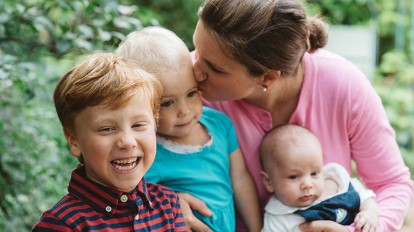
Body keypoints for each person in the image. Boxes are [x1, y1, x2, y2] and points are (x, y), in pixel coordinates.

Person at [182, 0, 414, 231]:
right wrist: (167, 200)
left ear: (267, 78)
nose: (194, 69)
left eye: (215, 68)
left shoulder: (343, 85)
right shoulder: (184, 92)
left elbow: (391, 183)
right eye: (196, 49)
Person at [116, 26, 262, 232]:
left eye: (192, 93)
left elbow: (240, 179)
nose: (184, 111)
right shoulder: (147, 149)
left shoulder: (220, 125)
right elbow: (130, 201)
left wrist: (258, 229)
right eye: (167, 103)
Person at [32, 53, 187, 231]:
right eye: (106, 129)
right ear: (74, 141)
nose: (127, 142)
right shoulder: (61, 225)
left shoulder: (169, 205)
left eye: (138, 125)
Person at [260, 124, 379, 232]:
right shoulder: (278, 218)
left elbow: (365, 196)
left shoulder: (338, 182)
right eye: (293, 177)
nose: (307, 184)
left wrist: (369, 212)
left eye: (314, 173)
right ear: (269, 182)